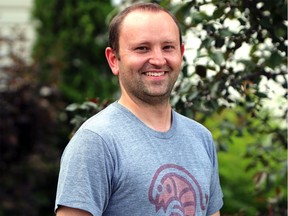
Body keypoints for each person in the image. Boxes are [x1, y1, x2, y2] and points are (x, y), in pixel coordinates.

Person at [55, 2, 223, 216]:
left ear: (181, 53)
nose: (158, 59)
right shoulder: (97, 142)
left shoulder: (201, 138)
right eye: (142, 48)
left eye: (168, 47)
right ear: (114, 60)